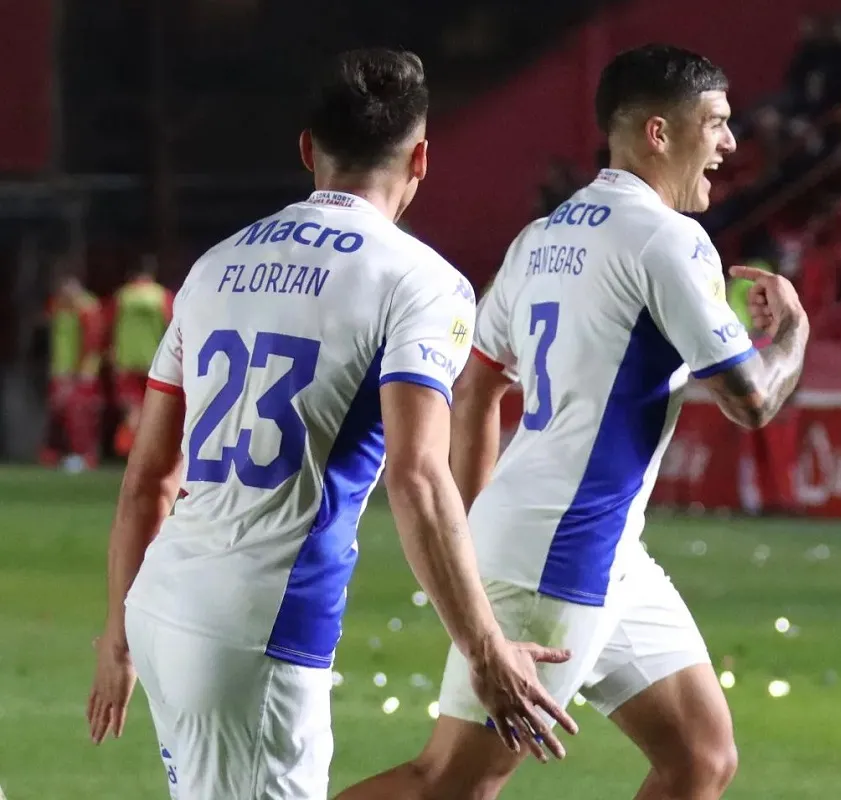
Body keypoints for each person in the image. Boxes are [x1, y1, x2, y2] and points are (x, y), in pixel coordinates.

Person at [85, 48, 576, 800]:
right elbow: (417, 473)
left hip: (163, 604)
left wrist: (119, 637)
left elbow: (149, 478)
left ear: (308, 149)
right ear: (420, 159)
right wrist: (483, 648)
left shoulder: (215, 267)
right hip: (261, 627)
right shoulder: (422, 283)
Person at [338, 44, 810, 800]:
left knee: (701, 757)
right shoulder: (667, 239)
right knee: (450, 783)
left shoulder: (544, 236)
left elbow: (480, 382)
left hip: (596, 546)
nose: (728, 144)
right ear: (659, 133)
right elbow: (751, 399)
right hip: (562, 551)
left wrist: (473, 522)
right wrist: (793, 332)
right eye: (716, 124)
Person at [109, 256, 174, 458]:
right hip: (154, 360)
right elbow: (173, 326)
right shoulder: (162, 296)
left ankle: (129, 451)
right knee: (154, 410)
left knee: (132, 409)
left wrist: (112, 352)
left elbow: (109, 327)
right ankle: (149, 452)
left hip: (126, 360)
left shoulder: (122, 296)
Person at [42, 273, 106, 471]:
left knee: (80, 416)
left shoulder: (87, 308)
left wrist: (81, 369)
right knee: (58, 414)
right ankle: (56, 453)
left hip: (81, 373)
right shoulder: (58, 306)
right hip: (61, 371)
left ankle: (84, 456)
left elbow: (92, 341)